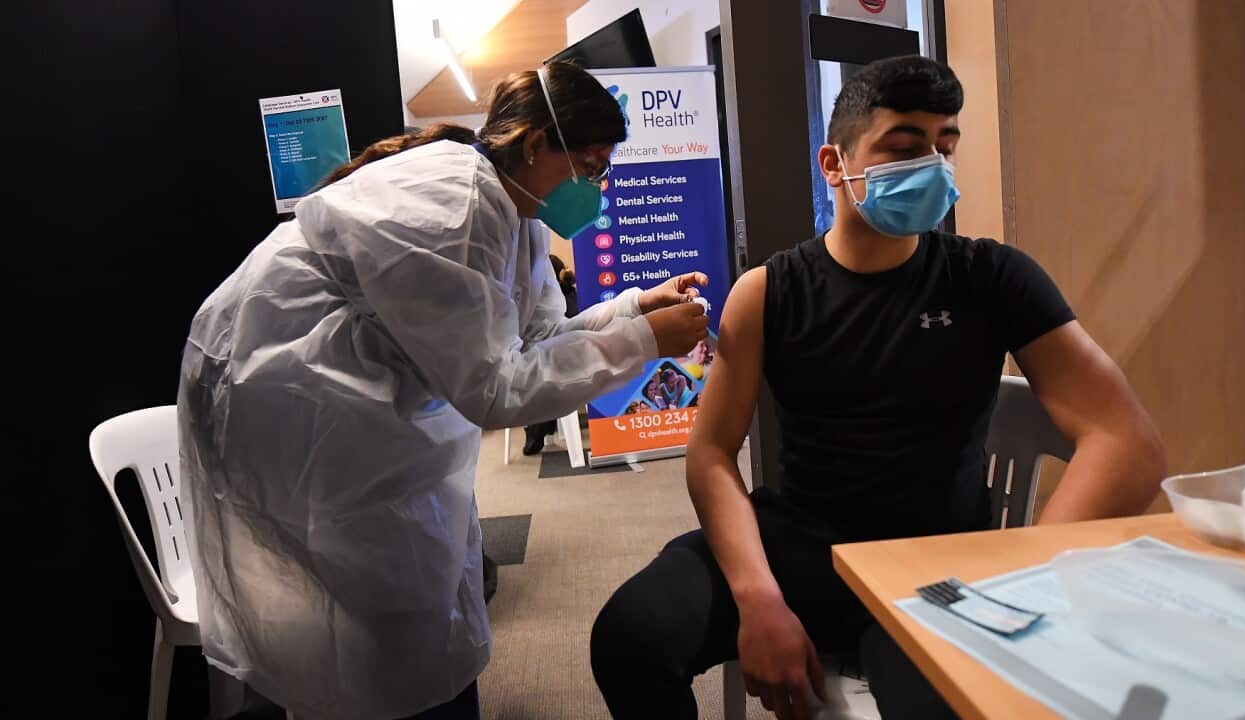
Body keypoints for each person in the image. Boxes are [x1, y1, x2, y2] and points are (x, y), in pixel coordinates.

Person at [590, 56, 1166, 720]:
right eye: (906, 148)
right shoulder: (769, 293)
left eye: (945, 146)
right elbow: (712, 453)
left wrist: (1020, 580)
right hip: (793, 551)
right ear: (833, 164)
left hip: (934, 570)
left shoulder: (993, 279)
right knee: (628, 639)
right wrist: (758, 598)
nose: (934, 167)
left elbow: (1127, 443)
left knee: (956, 705)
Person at [177, 61, 711, 720]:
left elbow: (535, 335)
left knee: (423, 581)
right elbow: (496, 390)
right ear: (538, 143)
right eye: (589, 164)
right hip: (282, 385)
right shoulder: (461, 203)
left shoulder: (518, 209)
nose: (594, 186)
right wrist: (646, 342)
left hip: (353, 393)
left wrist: (635, 312)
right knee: (371, 593)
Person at [523, 254, 580, 455]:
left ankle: (537, 431)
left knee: (537, 373)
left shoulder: (548, 303)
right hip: (575, 358)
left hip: (560, 363)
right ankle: (543, 427)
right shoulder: (573, 295)